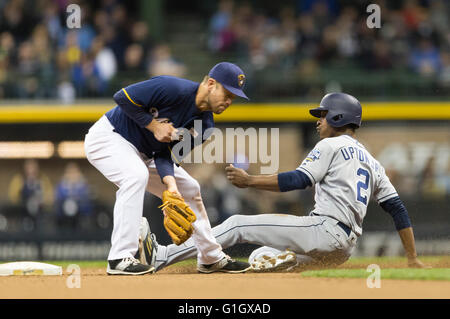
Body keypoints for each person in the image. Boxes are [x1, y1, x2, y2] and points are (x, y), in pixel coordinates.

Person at [138, 92, 428, 272]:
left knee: (238, 224)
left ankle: (162, 256)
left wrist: (250, 180)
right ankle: (278, 265)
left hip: (324, 230)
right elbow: (398, 209)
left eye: (323, 116)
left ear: (339, 117)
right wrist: (412, 257)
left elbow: (298, 179)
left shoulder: (331, 146)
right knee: (262, 256)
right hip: (344, 250)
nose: (318, 121)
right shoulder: (372, 162)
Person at [84, 62, 251, 275]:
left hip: (146, 154)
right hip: (109, 136)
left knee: (189, 187)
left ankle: (210, 257)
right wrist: (154, 126)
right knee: (136, 176)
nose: (229, 101)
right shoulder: (172, 88)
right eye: (227, 93)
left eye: (233, 98)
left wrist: (170, 186)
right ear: (211, 84)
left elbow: (166, 155)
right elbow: (121, 97)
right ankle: (119, 257)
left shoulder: (205, 126)